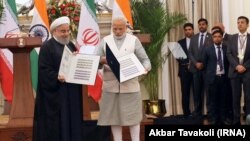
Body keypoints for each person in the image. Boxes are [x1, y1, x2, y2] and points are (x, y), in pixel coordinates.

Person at [97, 17, 151, 141]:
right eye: (114, 28)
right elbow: (95, 59)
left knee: (133, 117)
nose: (117, 31)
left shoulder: (134, 40)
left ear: (126, 28)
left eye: (120, 29)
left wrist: (145, 69)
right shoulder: (105, 40)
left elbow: (146, 60)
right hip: (111, 87)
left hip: (130, 85)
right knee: (114, 118)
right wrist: (102, 60)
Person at [32, 16, 83, 141]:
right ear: (55, 31)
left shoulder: (71, 45)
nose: (66, 34)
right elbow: (43, 71)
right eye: (63, 31)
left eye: (67, 31)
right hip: (55, 96)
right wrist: (56, 77)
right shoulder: (47, 47)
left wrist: (77, 60)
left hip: (71, 92)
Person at [227, 16, 250, 125]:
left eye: (242, 22)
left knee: (248, 97)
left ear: (247, 24)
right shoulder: (231, 38)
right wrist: (237, 66)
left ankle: (248, 118)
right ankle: (236, 120)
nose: (239, 24)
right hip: (234, 72)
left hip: (248, 72)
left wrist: (244, 66)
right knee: (235, 97)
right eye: (238, 22)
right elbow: (228, 54)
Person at [204, 29, 230, 124]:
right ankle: (213, 119)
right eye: (215, 37)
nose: (217, 38)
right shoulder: (207, 49)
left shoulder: (227, 48)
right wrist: (208, 77)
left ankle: (223, 118)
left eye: (219, 36)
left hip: (224, 78)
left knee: (223, 99)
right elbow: (205, 64)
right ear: (212, 38)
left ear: (222, 38)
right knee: (213, 100)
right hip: (212, 78)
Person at [188, 18, 213, 119]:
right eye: (200, 24)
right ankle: (197, 113)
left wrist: (203, 63)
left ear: (207, 25)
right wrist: (196, 63)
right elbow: (190, 52)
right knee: (197, 92)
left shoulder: (211, 37)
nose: (201, 26)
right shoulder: (194, 38)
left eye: (203, 24)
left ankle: (210, 113)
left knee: (209, 92)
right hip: (195, 69)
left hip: (207, 69)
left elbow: (212, 52)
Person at [177, 23, 194, 118]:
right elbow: (178, 57)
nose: (188, 31)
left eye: (189, 29)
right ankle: (186, 113)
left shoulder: (197, 40)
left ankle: (197, 113)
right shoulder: (179, 42)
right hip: (184, 71)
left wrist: (192, 64)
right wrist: (186, 63)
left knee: (197, 93)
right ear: (184, 31)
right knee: (185, 93)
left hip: (196, 71)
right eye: (186, 30)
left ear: (193, 30)